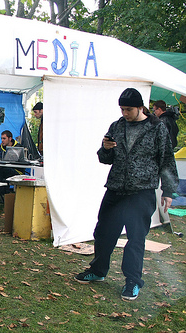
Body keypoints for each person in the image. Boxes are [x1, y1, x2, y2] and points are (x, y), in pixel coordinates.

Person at [75, 88, 179, 301]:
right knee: (103, 233)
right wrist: (105, 148)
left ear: (140, 107)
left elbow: (166, 159)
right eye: (122, 109)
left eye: (128, 109)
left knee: (135, 238)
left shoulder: (157, 128)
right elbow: (105, 159)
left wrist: (168, 190)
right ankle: (99, 270)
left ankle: (132, 281)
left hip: (141, 191)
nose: (125, 113)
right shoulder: (117, 126)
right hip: (115, 188)